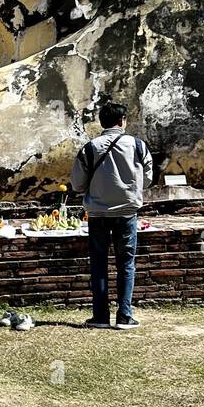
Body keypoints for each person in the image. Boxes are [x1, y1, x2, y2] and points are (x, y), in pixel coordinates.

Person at [70, 100, 153, 329]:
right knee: (126, 264)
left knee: (99, 265)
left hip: (97, 213)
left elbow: (77, 184)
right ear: (122, 121)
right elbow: (147, 179)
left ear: (101, 122)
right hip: (127, 212)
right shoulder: (138, 146)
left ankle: (100, 316)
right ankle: (125, 315)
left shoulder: (90, 147)